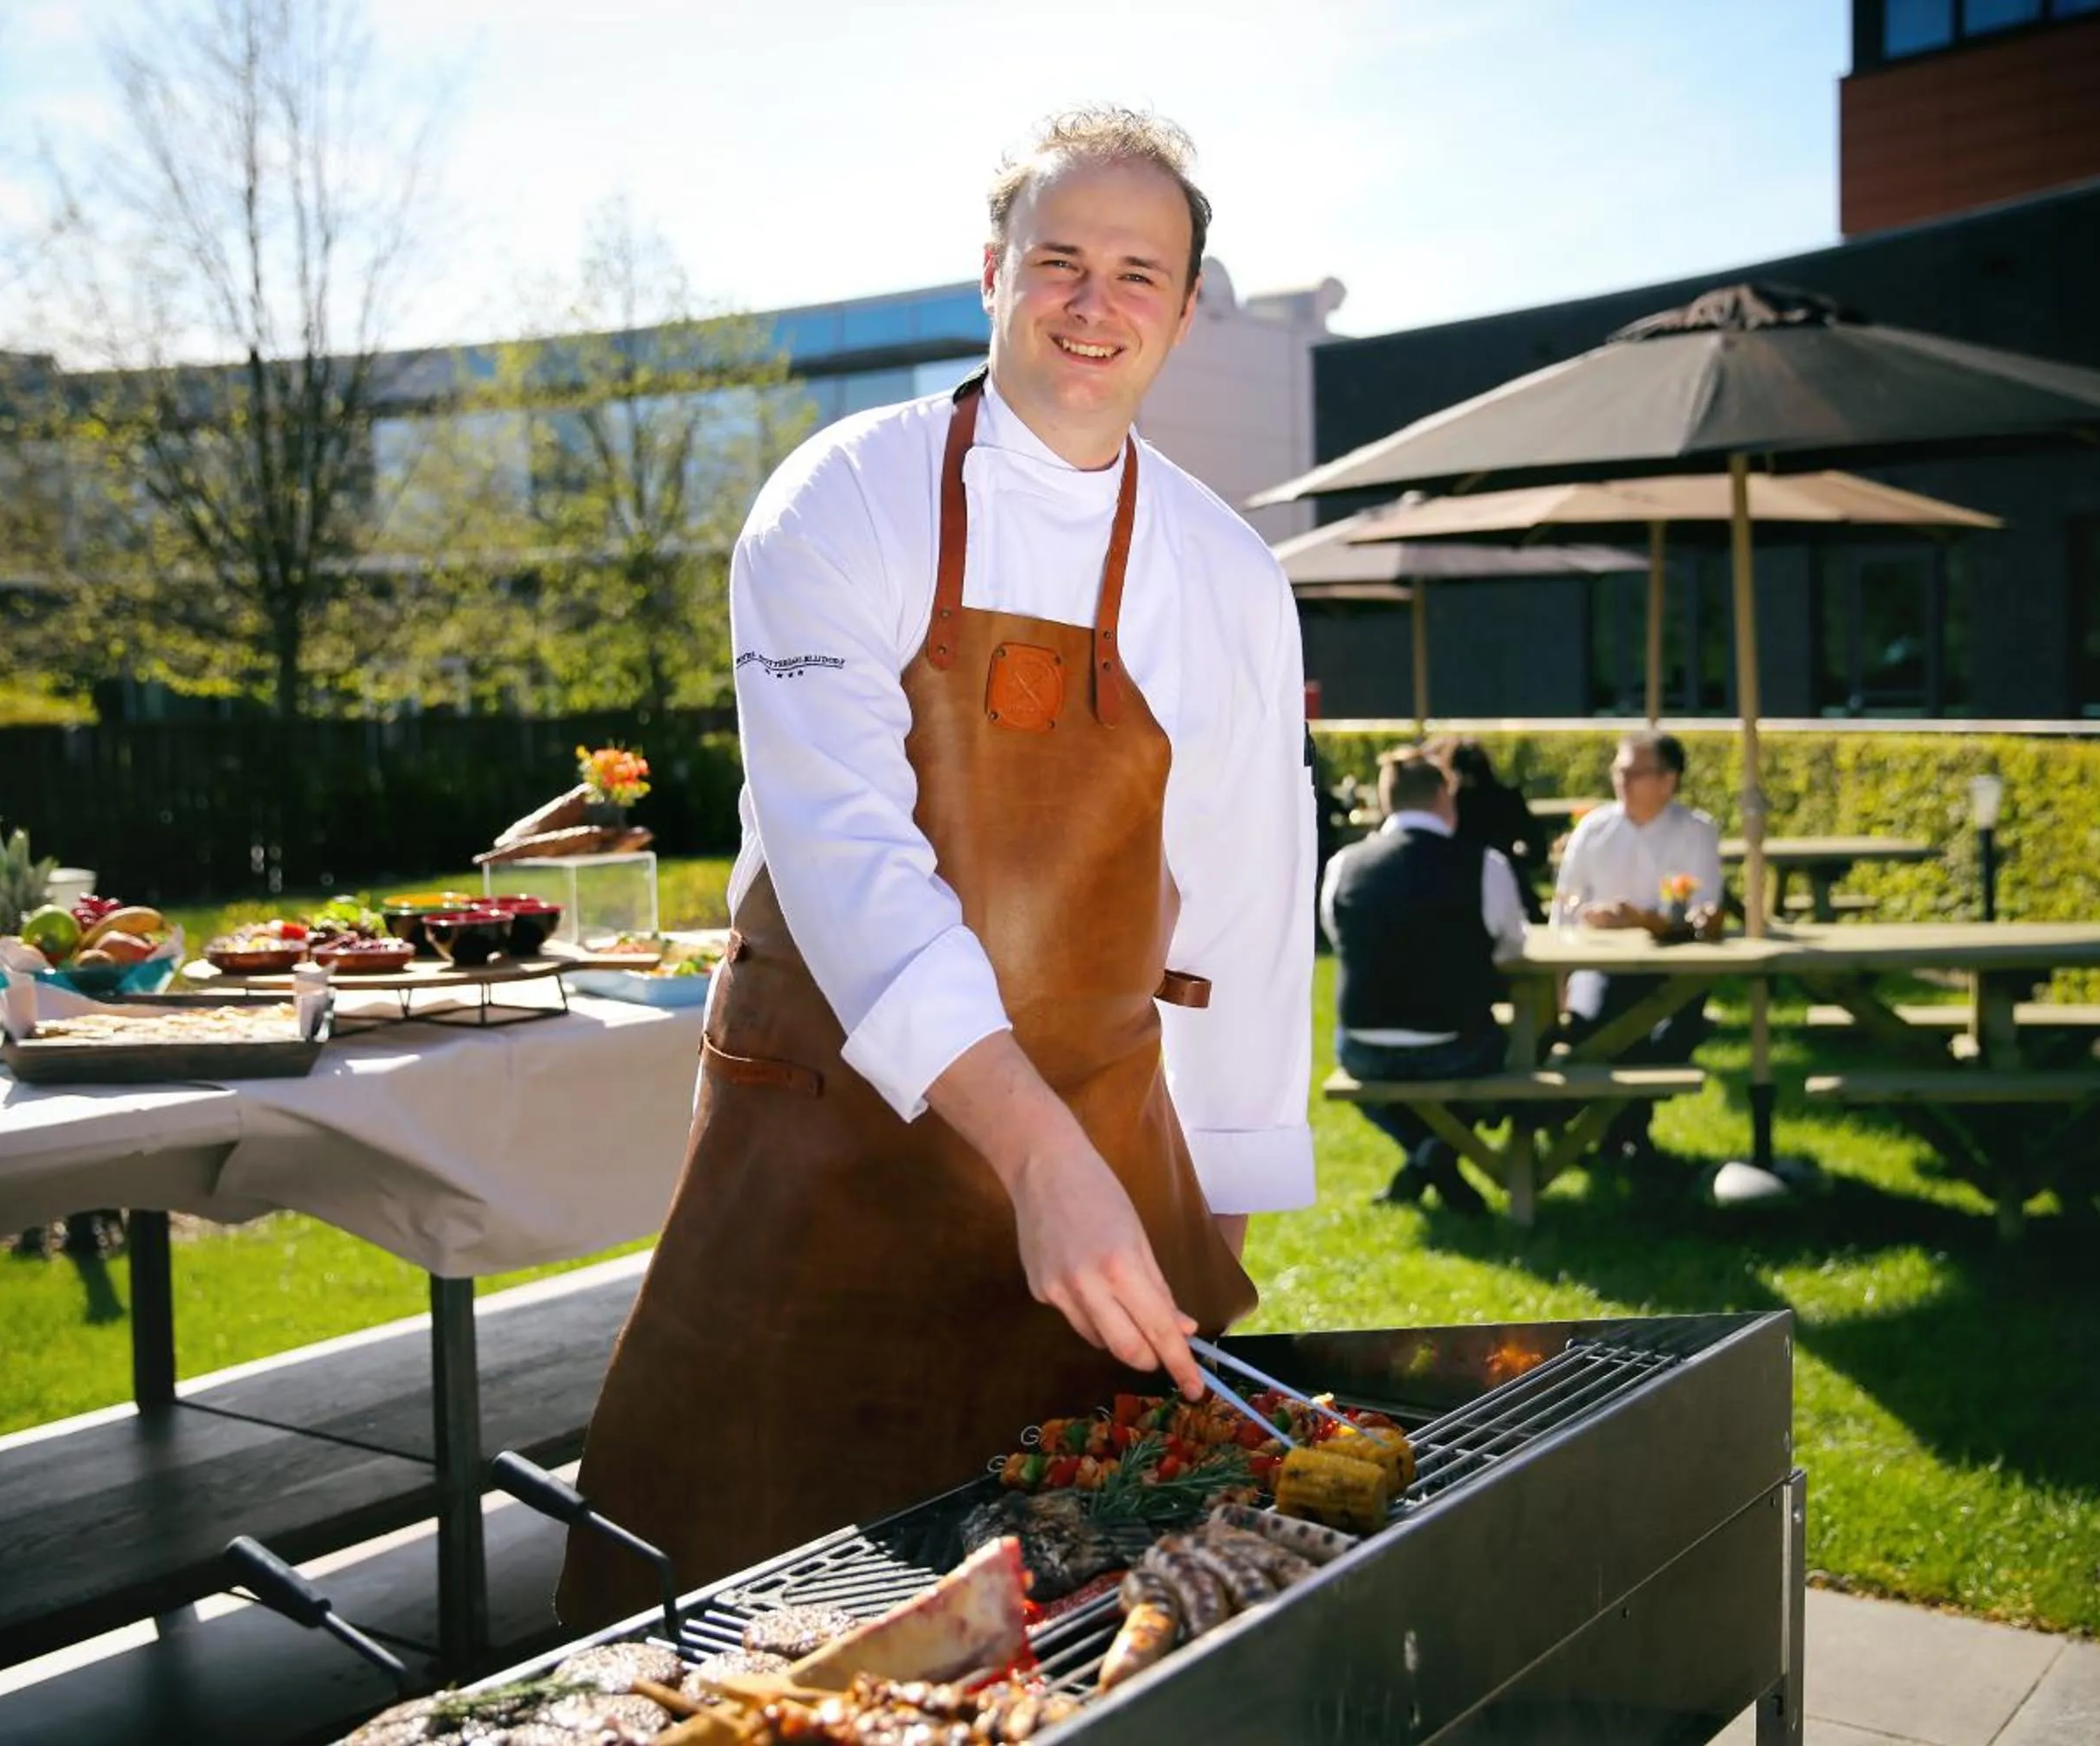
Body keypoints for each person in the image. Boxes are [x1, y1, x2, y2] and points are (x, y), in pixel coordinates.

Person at [559, 107, 1314, 1625]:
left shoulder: (1228, 575)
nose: (1094, 304)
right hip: (821, 1158)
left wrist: (1212, 1225)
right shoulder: (838, 500)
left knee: (1069, 1625)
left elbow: (1246, 913)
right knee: (728, 1630)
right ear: (991, 275)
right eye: (1060, 261)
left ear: (1183, 310)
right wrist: (1038, 1158)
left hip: (1093, 1170)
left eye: (1139, 274)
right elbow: (848, 864)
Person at [1319, 749, 1528, 1216]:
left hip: (1364, 1051)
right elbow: (1511, 949)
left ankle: (1425, 1154)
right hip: (1457, 1049)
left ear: (1387, 799)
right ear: (1443, 796)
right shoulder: (1484, 864)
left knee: (1364, 1066)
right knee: (1524, 1050)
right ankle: (1436, 1152)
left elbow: (1341, 936)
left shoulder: (1345, 865)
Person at [1548, 731, 1726, 1166]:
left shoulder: (1695, 831)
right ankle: (1616, 1132)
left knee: (1665, 1035)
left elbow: (1705, 912)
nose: (1621, 781)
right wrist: (1587, 922)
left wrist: (1647, 921)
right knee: (1589, 1026)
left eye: (1633, 773)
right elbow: (1564, 908)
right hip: (1598, 964)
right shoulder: (1594, 829)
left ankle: (1605, 1130)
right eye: (1618, 771)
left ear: (1668, 780)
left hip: (1672, 968)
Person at [1423, 733, 1541, 911]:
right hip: (1509, 892)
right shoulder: (1508, 799)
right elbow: (1538, 852)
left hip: (1456, 895)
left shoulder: (1447, 804)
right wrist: (1511, 861)